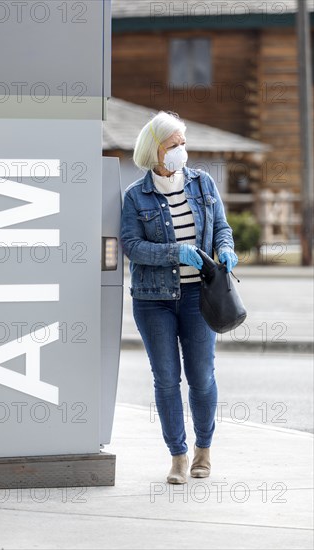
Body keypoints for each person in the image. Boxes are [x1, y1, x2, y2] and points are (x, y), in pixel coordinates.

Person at [120, 110, 238, 484]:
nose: (181, 151)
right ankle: (178, 456)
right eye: (174, 145)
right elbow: (131, 245)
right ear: (155, 150)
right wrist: (175, 252)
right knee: (166, 379)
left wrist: (225, 248)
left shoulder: (203, 185)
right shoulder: (135, 195)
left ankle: (204, 449)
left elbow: (221, 226)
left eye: (183, 143)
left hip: (197, 296)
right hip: (153, 299)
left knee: (201, 376)